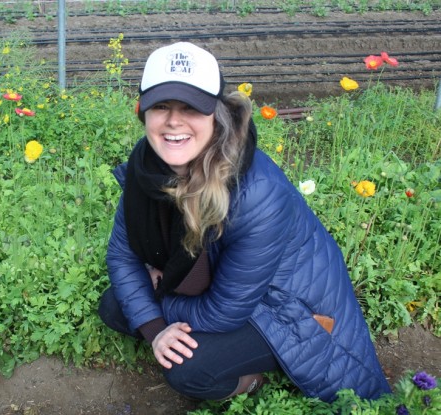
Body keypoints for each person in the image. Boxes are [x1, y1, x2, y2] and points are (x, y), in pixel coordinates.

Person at [98, 41, 392, 402]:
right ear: (142, 111)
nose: (173, 121)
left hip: (282, 304)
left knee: (189, 369)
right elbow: (122, 254)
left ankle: (251, 381)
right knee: (115, 306)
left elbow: (224, 312)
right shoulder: (147, 165)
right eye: (161, 106)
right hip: (216, 283)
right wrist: (157, 330)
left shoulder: (258, 191)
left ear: (215, 113)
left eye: (190, 107)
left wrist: (160, 293)